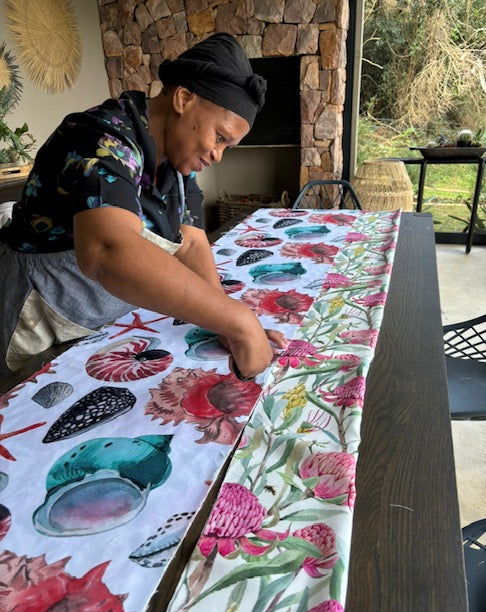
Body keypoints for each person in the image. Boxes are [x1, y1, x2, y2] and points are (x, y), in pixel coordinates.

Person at [0, 33, 287, 381]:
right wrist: (240, 324)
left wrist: (224, 321)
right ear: (184, 98)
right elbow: (108, 250)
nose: (217, 155)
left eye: (229, 147)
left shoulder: (176, 166)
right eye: (220, 137)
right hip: (35, 322)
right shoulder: (99, 139)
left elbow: (192, 242)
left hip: (97, 323)